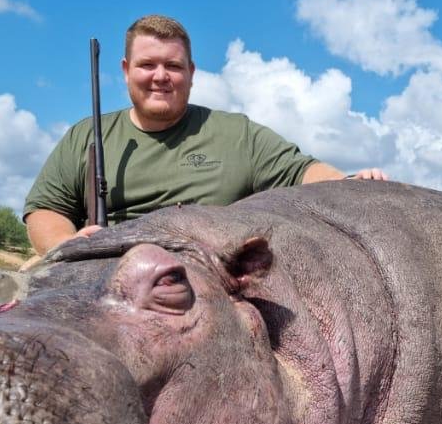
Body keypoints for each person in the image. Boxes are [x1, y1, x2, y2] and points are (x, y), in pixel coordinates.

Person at [23, 14, 387, 254]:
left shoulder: (236, 134)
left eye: (173, 66)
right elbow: (45, 209)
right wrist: (67, 247)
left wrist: (351, 184)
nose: (160, 76)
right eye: (147, 65)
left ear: (192, 72)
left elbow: (301, 172)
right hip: (109, 275)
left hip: (213, 287)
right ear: (125, 70)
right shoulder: (86, 135)